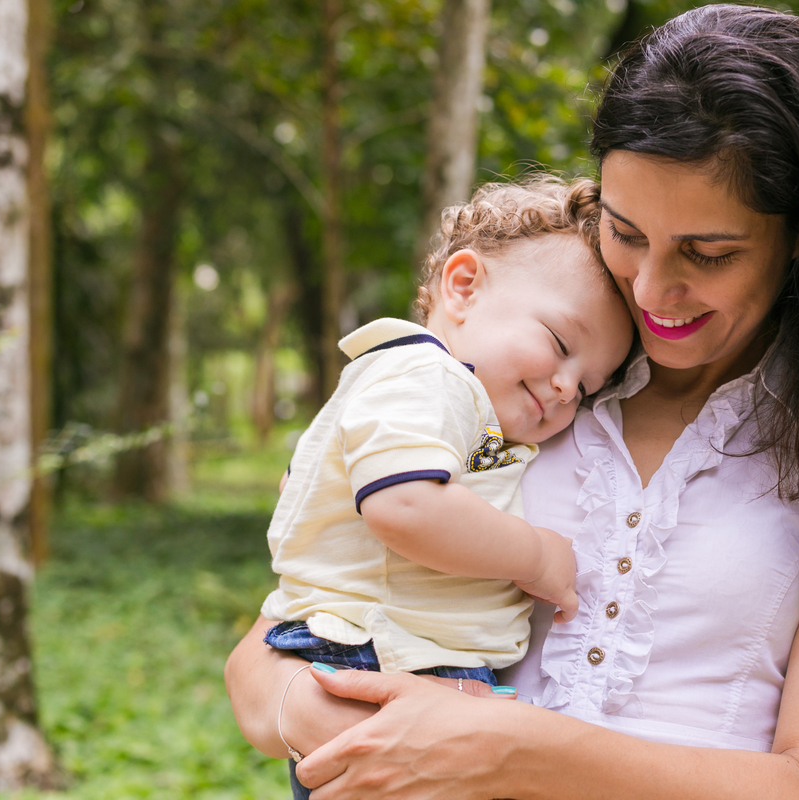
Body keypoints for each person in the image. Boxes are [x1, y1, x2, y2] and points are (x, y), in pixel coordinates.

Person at [225, 6, 799, 798]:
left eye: (709, 253)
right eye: (626, 232)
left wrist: (512, 749)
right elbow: (262, 663)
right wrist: (350, 725)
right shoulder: (521, 379)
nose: (653, 290)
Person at [258, 177, 635, 791]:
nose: (568, 386)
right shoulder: (427, 373)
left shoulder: (445, 406)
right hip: (380, 658)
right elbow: (402, 505)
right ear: (463, 287)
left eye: (588, 385)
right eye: (561, 344)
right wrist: (536, 555)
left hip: (402, 660)